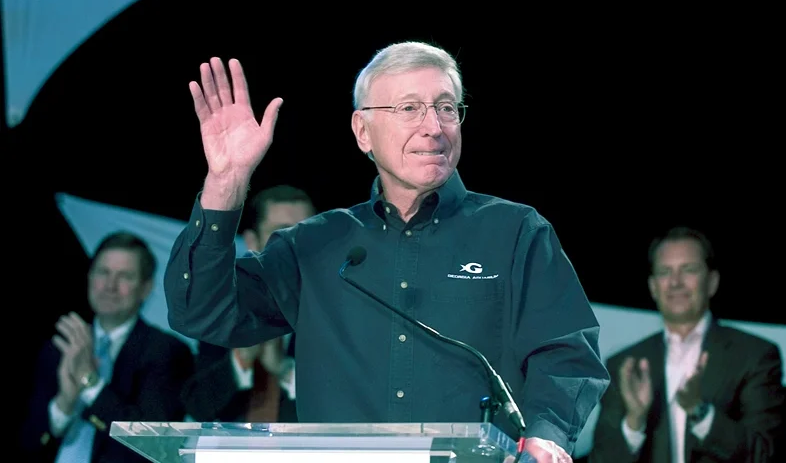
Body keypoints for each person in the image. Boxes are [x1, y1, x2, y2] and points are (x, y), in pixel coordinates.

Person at [164, 41, 610, 462]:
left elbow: (566, 355)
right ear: (363, 131)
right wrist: (226, 181)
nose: (433, 127)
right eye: (410, 109)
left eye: (446, 108)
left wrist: (545, 437)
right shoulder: (313, 245)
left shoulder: (515, 232)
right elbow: (202, 313)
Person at [589, 226, 786, 463]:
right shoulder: (623, 364)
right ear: (653, 286)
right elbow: (601, 459)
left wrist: (699, 412)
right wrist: (634, 421)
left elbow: (764, 453)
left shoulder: (755, 355)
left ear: (712, 282)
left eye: (688, 270)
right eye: (665, 272)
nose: (675, 282)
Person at [22, 231, 194, 462]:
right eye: (103, 272)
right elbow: (30, 441)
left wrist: (89, 383)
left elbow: (154, 447)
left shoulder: (168, 352)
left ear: (145, 288)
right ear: (90, 277)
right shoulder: (61, 346)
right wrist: (64, 404)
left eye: (125, 276)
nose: (110, 286)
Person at [180, 184, 316, 424]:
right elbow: (197, 406)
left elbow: (354, 403)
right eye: (282, 233)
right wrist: (240, 360)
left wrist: (285, 371)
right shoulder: (224, 310)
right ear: (253, 241)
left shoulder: (336, 310)